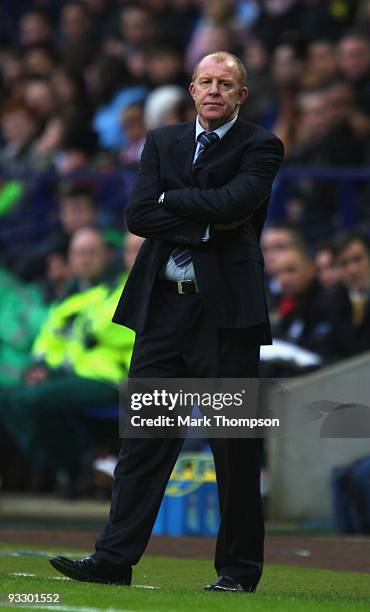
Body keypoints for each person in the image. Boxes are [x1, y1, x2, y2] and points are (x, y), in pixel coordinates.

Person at [50, 51, 284, 593]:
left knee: (233, 444)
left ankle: (238, 572)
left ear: (241, 96)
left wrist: (173, 202)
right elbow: (139, 215)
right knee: (145, 441)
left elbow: (238, 202)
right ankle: (113, 560)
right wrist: (207, 216)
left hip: (225, 317)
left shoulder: (262, 145)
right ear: (191, 88)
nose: (214, 90)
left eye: (226, 83)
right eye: (205, 81)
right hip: (163, 311)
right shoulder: (162, 142)